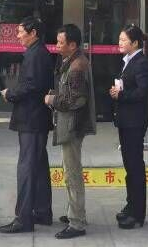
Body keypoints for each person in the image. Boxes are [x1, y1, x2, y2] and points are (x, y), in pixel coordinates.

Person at [0, 17, 55, 234]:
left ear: (33, 33)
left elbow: (31, 86)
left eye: (21, 32)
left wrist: (10, 94)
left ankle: (23, 219)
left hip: (32, 119)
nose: (18, 35)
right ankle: (42, 211)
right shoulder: (36, 53)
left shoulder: (36, 54)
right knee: (38, 166)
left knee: (27, 168)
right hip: (35, 118)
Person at [46, 24, 95, 239]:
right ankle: (75, 214)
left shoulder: (77, 65)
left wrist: (52, 100)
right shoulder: (71, 61)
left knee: (72, 174)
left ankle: (77, 223)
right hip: (70, 125)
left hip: (73, 126)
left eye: (61, 42)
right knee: (70, 171)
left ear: (72, 44)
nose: (57, 46)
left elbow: (76, 100)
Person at [109, 23, 148, 230]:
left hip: (135, 122)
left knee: (135, 167)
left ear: (135, 43)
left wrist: (121, 95)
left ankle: (137, 213)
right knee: (129, 167)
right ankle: (130, 205)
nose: (120, 42)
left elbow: (142, 92)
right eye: (119, 39)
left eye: (123, 40)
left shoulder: (141, 62)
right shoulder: (128, 61)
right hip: (125, 120)